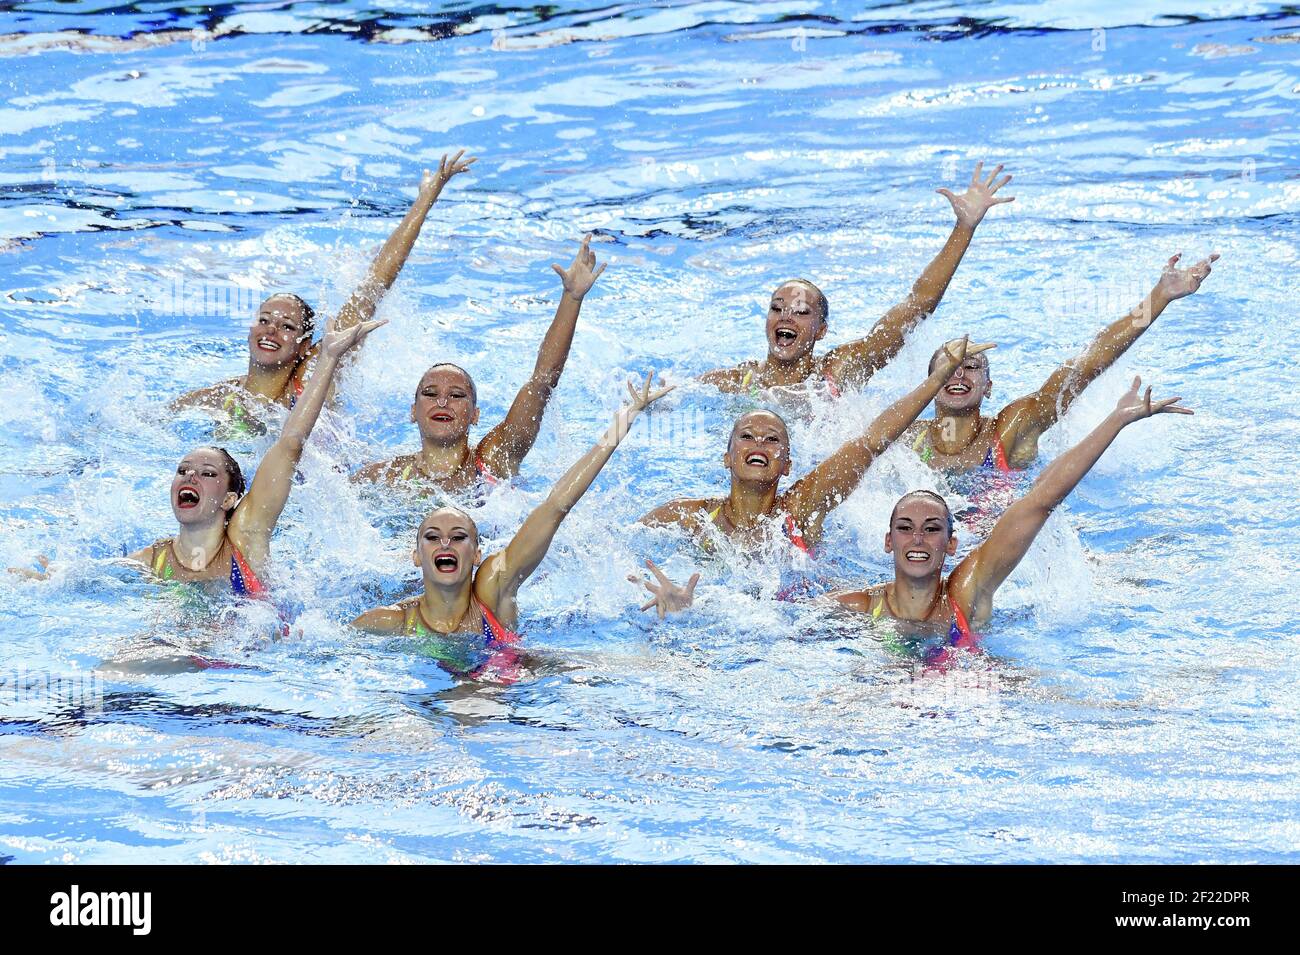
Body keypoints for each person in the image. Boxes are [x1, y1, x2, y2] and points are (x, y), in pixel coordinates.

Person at [637, 377, 1191, 667]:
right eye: (906, 526)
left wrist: (1114, 422)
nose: (919, 538)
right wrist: (693, 612)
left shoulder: (968, 592)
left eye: (932, 528)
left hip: (972, 697)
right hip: (888, 704)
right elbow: (762, 625)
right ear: (886, 541)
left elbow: (1038, 503)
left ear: (953, 544)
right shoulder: (858, 607)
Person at [352, 372, 673, 680]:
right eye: (433, 538)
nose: (445, 544)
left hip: (521, 685)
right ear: (417, 556)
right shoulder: (389, 620)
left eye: (458, 536)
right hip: (462, 706)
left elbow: (555, 506)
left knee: (648, 668)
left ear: (477, 555)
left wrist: (624, 420)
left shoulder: (493, 587)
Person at [171, 153, 475, 428]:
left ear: (304, 346)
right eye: (264, 320)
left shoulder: (313, 379)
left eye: (286, 326)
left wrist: (424, 200)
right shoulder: (221, 397)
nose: (271, 331)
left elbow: (374, 285)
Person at [641, 337, 994, 554]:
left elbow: (871, 443)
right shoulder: (690, 518)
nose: (759, 443)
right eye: (747, 436)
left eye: (772, 439)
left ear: (788, 465)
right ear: (727, 458)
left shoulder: (801, 509)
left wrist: (937, 380)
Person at [699, 162, 1013, 397]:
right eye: (777, 308)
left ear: (821, 331)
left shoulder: (838, 370)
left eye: (801, 311)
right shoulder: (735, 382)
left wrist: (964, 228)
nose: (786, 317)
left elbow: (917, 305)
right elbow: (673, 395)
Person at [131, 314, 386, 594]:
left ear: (229, 499)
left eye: (207, 473)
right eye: (183, 470)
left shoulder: (245, 537)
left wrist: (329, 357)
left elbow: (290, 444)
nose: (190, 476)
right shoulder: (150, 561)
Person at [907, 252, 1218, 474]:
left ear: (988, 388)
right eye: (948, 365)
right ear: (929, 385)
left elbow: (1084, 366)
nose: (959, 372)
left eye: (972, 366)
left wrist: (1159, 297)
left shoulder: (1012, 429)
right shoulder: (908, 440)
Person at [353, 234, 607, 492]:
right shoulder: (383, 477)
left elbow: (542, 382)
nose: (442, 402)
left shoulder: (493, 461)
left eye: (456, 395)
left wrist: (571, 299)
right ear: (412, 411)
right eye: (430, 394)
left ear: (475, 415)